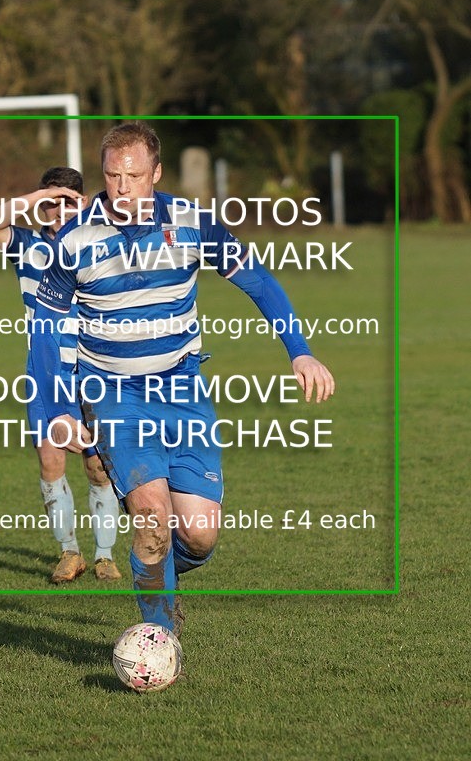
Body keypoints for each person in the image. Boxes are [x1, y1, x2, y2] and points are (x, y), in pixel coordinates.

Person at [33, 124, 335, 634]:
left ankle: (157, 572)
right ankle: (158, 635)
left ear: (156, 173)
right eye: (111, 175)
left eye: (133, 175)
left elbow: (257, 279)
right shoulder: (74, 237)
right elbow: (44, 325)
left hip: (182, 390)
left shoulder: (194, 223)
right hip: (111, 393)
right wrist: (55, 409)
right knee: (150, 516)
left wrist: (299, 352)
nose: (122, 186)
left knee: (198, 536)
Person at [0, 167, 122, 583]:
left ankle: (104, 555)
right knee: (50, 461)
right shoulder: (26, 246)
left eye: (67, 202)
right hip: (45, 373)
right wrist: (41, 194)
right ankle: (69, 553)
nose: (58, 211)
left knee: (99, 467)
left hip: (95, 368)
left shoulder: (97, 246)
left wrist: (83, 210)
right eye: (51, 203)